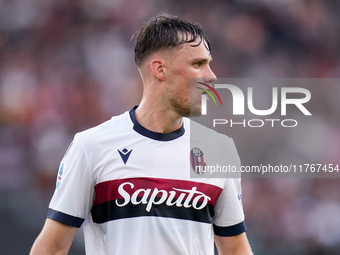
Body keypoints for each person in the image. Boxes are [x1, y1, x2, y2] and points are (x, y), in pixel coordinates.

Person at [30, 13, 253, 255]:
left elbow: (235, 250)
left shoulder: (219, 150)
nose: (212, 76)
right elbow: (50, 250)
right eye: (198, 64)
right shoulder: (92, 147)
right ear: (159, 69)